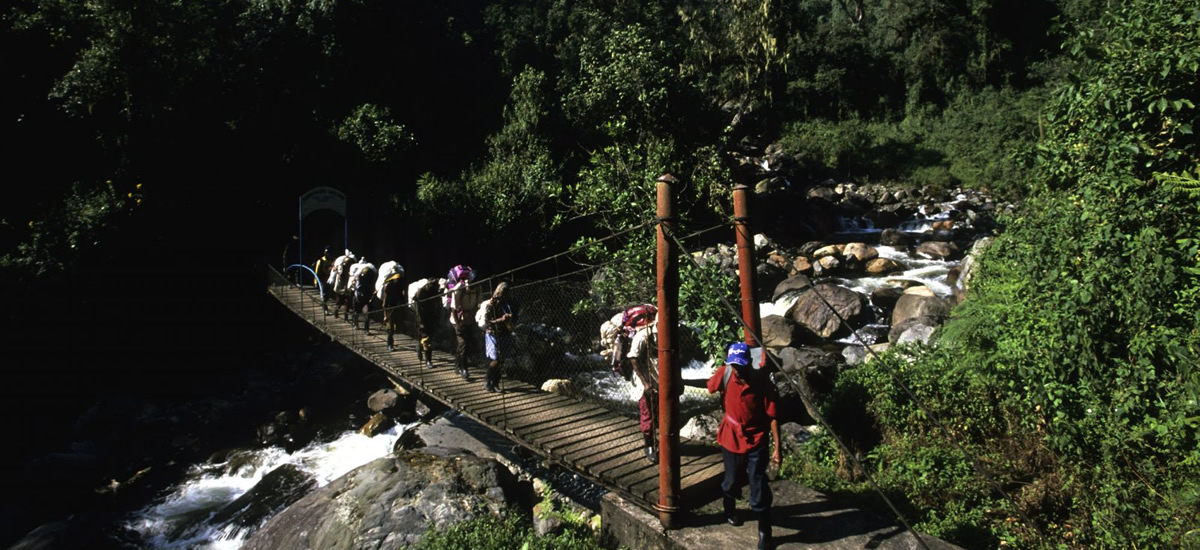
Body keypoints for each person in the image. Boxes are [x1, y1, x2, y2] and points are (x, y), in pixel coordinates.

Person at [707, 342, 782, 550]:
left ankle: (765, 532)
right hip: (731, 435)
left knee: (758, 485)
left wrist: (778, 448)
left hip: (757, 437)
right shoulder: (726, 373)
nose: (738, 369)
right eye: (734, 365)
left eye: (741, 365)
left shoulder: (761, 381)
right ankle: (729, 508)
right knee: (731, 480)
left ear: (749, 363)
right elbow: (710, 386)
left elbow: (773, 416)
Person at [604, 304, 660, 464]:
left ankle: (659, 441)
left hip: (659, 377)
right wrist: (646, 383)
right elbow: (633, 358)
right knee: (647, 413)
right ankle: (649, 446)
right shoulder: (642, 336)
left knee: (660, 411)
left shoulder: (664, 334)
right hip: (644, 381)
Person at [482, 282, 516, 393]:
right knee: (496, 359)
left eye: (507, 292)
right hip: (493, 333)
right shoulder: (492, 303)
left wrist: (510, 319)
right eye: (503, 292)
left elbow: (514, 317)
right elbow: (487, 321)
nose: (505, 294)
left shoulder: (509, 303)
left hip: (505, 333)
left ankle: (496, 383)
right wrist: (501, 320)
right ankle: (487, 380)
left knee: (502, 360)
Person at [446, 265, 477, 380]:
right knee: (463, 343)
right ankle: (465, 370)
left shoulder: (477, 289)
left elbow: (477, 305)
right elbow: (454, 308)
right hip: (457, 319)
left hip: (469, 319)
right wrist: (458, 325)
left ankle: (457, 364)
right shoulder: (460, 288)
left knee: (465, 345)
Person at [412, 278, 442, 368]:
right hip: (422, 318)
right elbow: (418, 309)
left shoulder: (435, 290)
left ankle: (419, 347)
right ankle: (428, 361)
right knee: (426, 339)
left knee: (429, 338)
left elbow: (437, 304)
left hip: (431, 317)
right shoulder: (421, 292)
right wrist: (420, 321)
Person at [379, 267, 407, 352]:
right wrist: (385, 315)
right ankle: (389, 344)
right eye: (396, 279)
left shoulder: (400, 285)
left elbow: (403, 296)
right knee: (390, 328)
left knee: (397, 326)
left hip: (397, 307)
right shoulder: (388, 287)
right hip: (390, 308)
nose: (397, 281)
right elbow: (384, 303)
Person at [349, 257, 378, 334]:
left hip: (367, 296)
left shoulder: (370, 274)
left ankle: (366, 329)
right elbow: (354, 285)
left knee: (367, 313)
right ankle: (356, 324)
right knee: (356, 311)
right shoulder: (358, 275)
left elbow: (373, 284)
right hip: (358, 295)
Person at [327, 250, 355, 319]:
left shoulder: (341, 264)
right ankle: (338, 314)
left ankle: (344, 316)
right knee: (342, 301)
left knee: (345, 302)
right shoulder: (342, 266)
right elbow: (342, 275)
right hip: (342, 285)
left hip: (344, 285)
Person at [313, 246, 332, 312]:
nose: (328, 254)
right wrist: (316, 282)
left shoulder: (332, 260)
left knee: (329, 294)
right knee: (323, 294)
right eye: (327, 252)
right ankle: (325, 308)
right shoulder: (320, 261)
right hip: (322, 280)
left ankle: (324, 303)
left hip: (329, 279)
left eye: (329, 253)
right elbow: (316, 272)